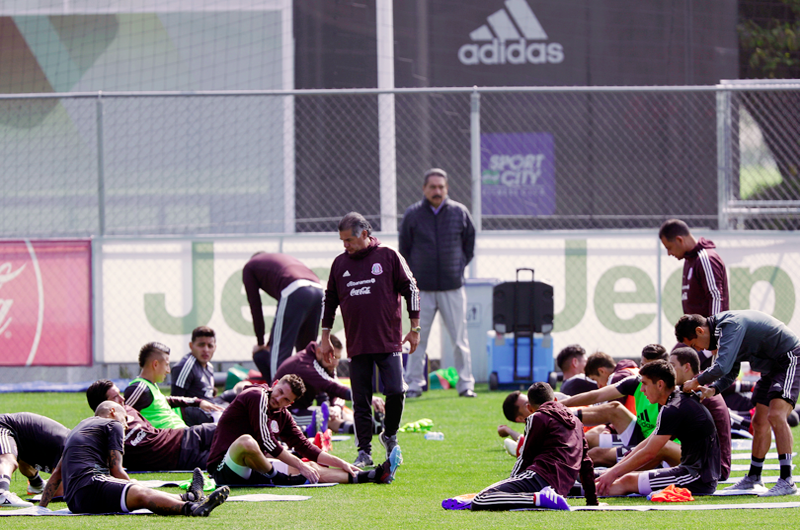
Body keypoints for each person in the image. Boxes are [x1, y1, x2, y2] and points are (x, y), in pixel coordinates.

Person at [319, 212, 420, 468]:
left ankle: (390, 434)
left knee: (396, 390)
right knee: (360, 399)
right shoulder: (339, 264)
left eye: (349, 240)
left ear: (364, 234)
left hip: (388, 340)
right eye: (342, 241)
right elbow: (329, 301)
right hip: (357, 343)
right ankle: (364, 450)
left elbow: (412, 288)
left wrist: (415, 327)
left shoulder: (387, 255)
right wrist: (324, 337)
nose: (345, 246)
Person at [678, 310, 800, 496]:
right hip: (772, 367)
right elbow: (732, 370)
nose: (700, 350)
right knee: (759, 421)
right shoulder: (721, 332)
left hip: (790, 358)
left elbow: (723, 366)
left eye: (695, 345)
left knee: (776, 415)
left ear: (700, 331)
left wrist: (696, 381)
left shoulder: (728, 325)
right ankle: (754, 477)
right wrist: (714, 389)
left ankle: (787, 480)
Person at [39, 401, 229, 516]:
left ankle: (190, 497)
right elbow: (117, 471)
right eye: (125, 418)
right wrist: (134, 487)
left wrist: (41, 508)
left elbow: (56, 475)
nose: (127, 424)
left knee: (137, 493)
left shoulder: (80, 428)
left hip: (75, 500)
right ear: (113, 412)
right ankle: (192, 508)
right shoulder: (112, 425)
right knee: (141, 494)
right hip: (91, 486)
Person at [206, 375, 400, 487]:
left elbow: (307, 447)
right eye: (279, 391)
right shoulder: (257, 395)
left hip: (253, 468)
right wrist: (300, 465)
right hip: (222, 469)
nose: (278, 399)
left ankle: (372, 476)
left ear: (290, 404)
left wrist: (342, 463)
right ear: (275, 385)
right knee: (247, 442)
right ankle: (277, 478)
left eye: (285, 399)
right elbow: (266, 441)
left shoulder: (283, 415)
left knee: (311, 469)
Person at [399, 168, 476, 399]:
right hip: (421, 291)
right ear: (424, 189)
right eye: (432, 187)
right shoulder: (412, 214)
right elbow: (404, 250)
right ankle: (413, 385)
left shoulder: (459, 212)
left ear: (447, 188)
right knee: (416, 339)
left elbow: (469, 245)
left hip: (452, 287)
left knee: (460, 341)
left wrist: (457, 266)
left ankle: (465, 385)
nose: (437, 191)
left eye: (441, 187)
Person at [596, 360, 720, 497]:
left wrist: (613, 473)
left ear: (660, 384)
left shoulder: (673, 408)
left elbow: (649, 452)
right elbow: (648, 442)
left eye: (645, 384)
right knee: (626, 477)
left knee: (627, 480)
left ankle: (579, 490)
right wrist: (613, 471)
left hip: (697, 478)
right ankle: (586, 484)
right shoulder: (676, 401)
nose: (641, 390)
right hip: (697, 473)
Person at [464, 383, 596, 511]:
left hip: (540, 477)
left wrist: (513, 481)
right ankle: (542, 497)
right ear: (555, 399)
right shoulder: (577, 422)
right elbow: (586, 464)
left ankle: (539, 499)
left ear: (529, 408)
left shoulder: (537, 417)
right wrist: (592, 501)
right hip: (561, 487)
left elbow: (525, 457)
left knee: (480, 499)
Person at [560, 345, 681, 467]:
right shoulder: (636, 382)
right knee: (613, 410)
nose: (642, 372)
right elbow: (596, 395)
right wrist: (558, 405)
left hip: (661, 453)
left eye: (649, 368)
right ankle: (556, 417)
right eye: (642, 365)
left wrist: (613, 474)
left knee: (599, 456)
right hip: (642, 439)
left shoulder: (676, 400)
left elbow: (653, 449)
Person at [87, 379, 216, 472]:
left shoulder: (128, 408)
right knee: (228, 460)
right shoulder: (105, 436)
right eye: (115, 397)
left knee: (230, 428)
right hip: (183, 457)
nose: (122, 399)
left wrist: (197, 401)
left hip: (188, 434)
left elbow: (165, 401)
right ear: (104, 405)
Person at [659, 218, 729, 370]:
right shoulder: (690, 260)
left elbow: (716, 296)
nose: (669, 253)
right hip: (695, 338)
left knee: (686, 371)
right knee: (675, 362)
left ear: (679, 239)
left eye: (669, 247)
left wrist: (715, 338)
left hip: (706, 339)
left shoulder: (706, 258)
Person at [243, 251, 324, 381]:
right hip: (318, 290)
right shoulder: (277, 260)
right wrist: (270, 342)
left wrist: (261, 342)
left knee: (280, 353)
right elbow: (284, 318)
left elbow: (255, 306)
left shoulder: (250, 266)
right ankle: (319, 396)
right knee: (306, 354)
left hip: (295, 288)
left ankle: (277, 393)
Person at [124, 342, 223, 429]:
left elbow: (168, 400)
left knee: (218, 428)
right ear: (155, 364)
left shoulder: (150, 386)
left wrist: (198, 402)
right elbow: (122, 414)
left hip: (183, 435)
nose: (168, 370)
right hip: (174, 442)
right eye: (166, 365)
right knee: (217, 429)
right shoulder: (139, 388)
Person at [669, 347, 732, 481]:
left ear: (686, 367)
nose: (669, 371)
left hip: (713, 467)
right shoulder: (701, 384)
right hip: (710, 462)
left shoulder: (696, 391)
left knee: (661, 447)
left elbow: (667, 433)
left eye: (672, 366)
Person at [0, 413, 70, 507]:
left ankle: (37, 484)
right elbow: (58, 493)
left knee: (24, 460)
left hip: (21, 438)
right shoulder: (71, 450)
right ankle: (2, 493)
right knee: (8, 459)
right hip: (4, 426)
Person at [171, 326, 229, 424]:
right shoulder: (185, 366)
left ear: (215, 347)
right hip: (197, 416)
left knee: (237, 398)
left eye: (210, 346)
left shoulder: (209, 366)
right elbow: (175, 403)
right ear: (191, 346)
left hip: (211, 408)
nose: (206, 349)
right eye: (201, 345)